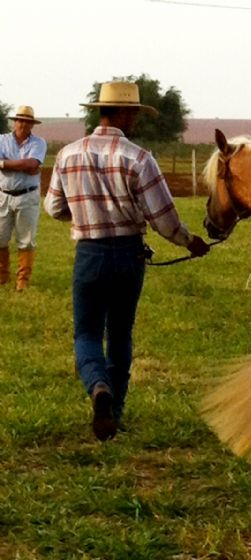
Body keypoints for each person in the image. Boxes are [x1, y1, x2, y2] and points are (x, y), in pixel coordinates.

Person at [45, 81, 210, 441]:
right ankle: (114, 412)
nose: (135, 118)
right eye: (133, 112)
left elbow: (53, 207)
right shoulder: (138, 157)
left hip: (88, 253)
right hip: (128, 254)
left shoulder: (68, 154)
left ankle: (97, 386)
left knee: (86, 332)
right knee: (119, 333)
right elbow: (163, 217)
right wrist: (189, 241)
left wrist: (84, 215)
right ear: (123, 113)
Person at [0, 105, 47, 290]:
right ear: (15, 122)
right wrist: (23, 166)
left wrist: (3, 163)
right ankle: (2, 276)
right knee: (0, 237)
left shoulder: (39, 143)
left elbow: (33, 163)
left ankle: (23, 279)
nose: (24, 124)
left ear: (32, 124)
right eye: (21, 120)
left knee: (26, 239)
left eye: (28, 122)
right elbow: (28, 166)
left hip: (27, 196)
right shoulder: (2, 139)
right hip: (3, 195)